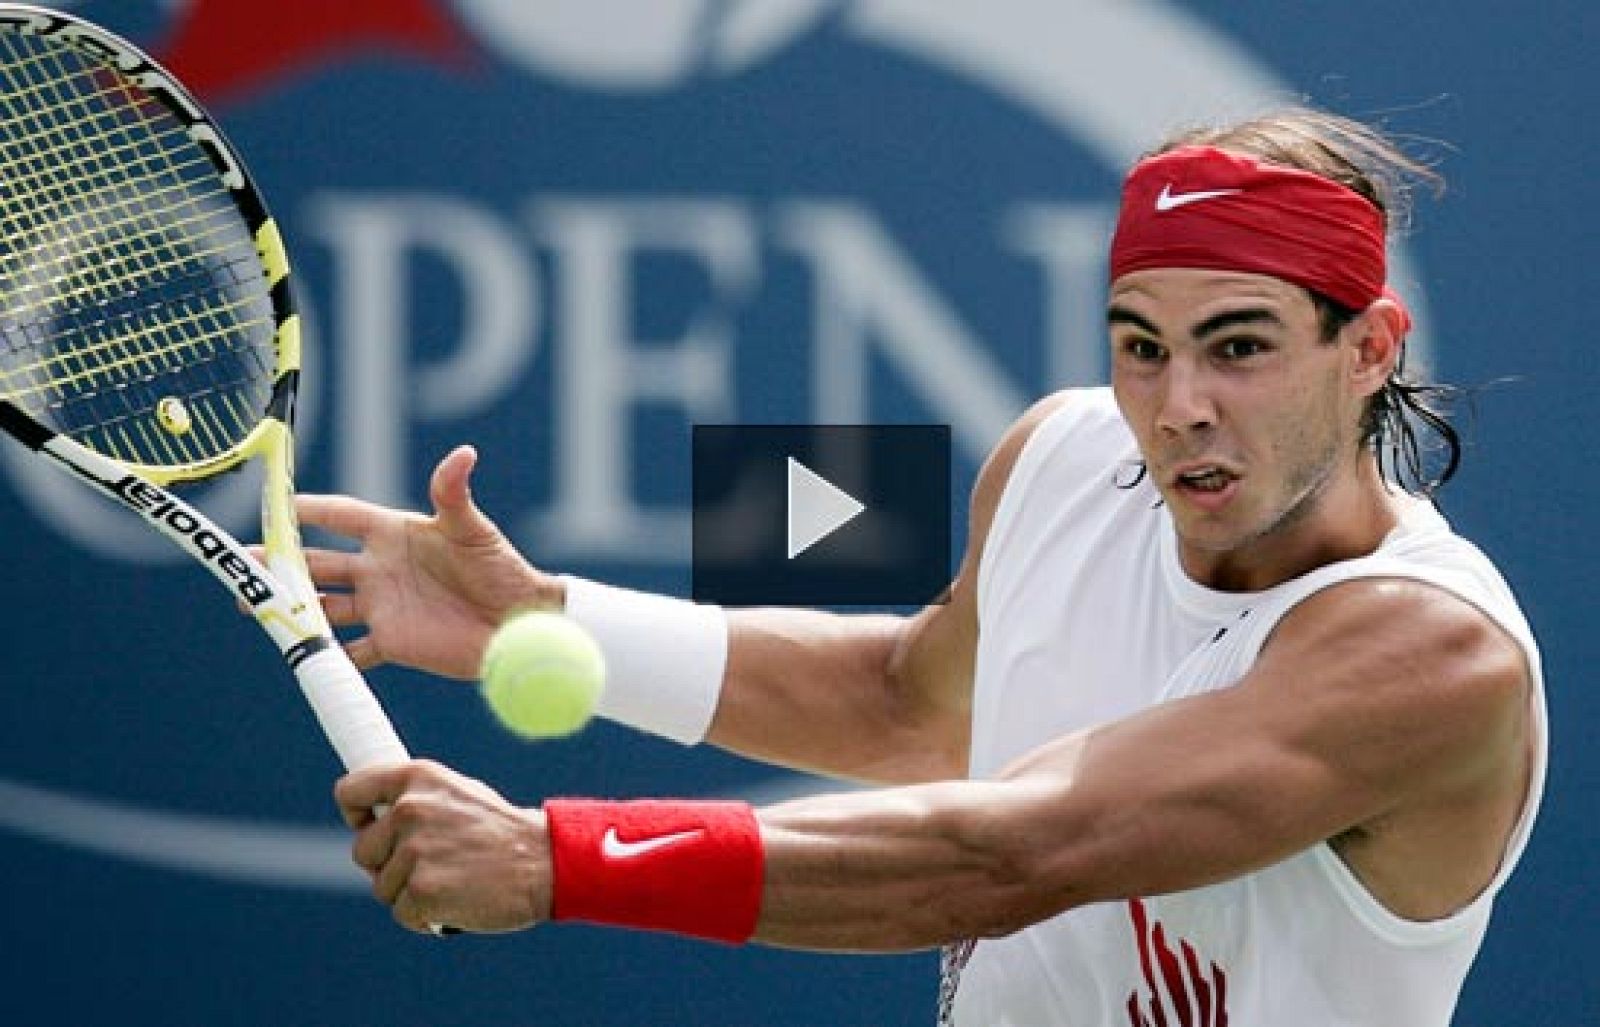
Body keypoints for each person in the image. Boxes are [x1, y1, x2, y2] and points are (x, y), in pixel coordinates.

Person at [309, 108, 1545, 1025]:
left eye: (1238, 346)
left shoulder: (1428, 656)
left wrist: (560, 858)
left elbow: (1017, 852)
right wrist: (554, 622)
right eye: (1140, 346)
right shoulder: (1063, 458)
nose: (1178, 407)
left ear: (1370, 345)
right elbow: (916, 701)